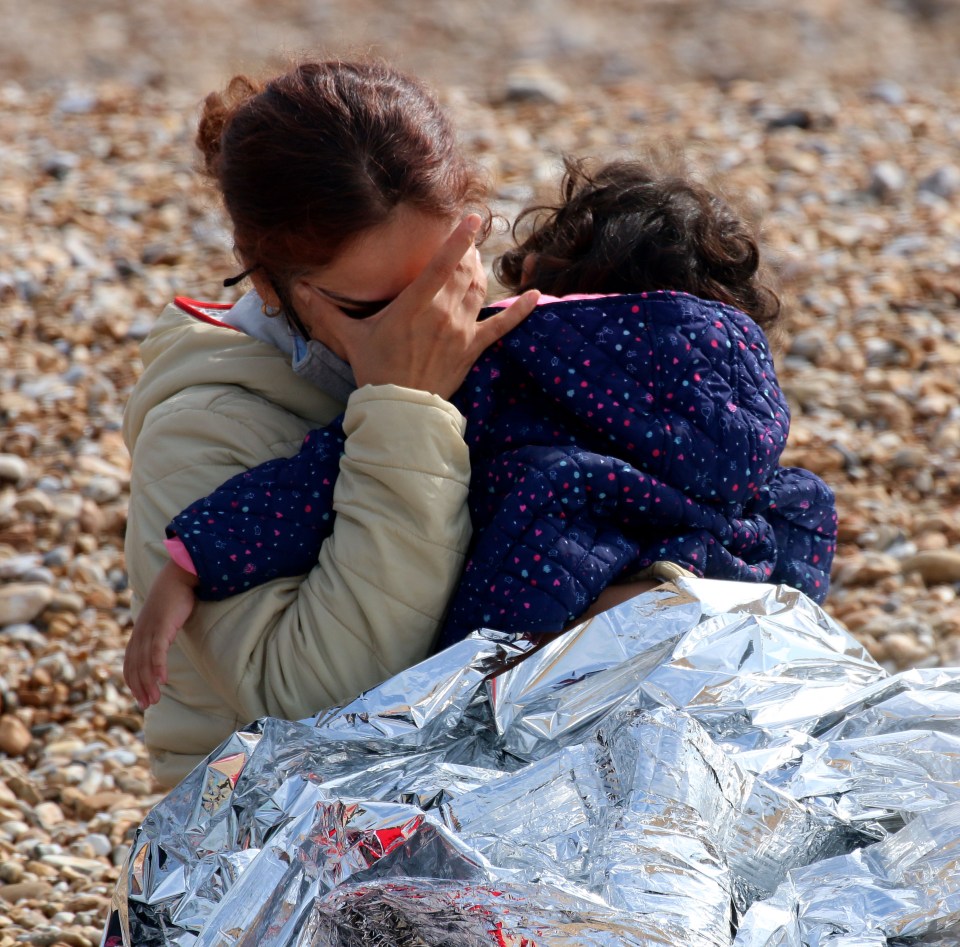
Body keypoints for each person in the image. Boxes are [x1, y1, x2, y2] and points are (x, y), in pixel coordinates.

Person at [125, 152, 838, 725]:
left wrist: (194, 556)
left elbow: (321, 476)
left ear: (528, 274)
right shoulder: (750, 402)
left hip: (525, 639)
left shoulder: (514, 357)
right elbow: (800, 529)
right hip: (705, 649)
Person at [122, 58, 540, 788]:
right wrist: (406, 409)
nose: (430, 324)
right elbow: (315, 702)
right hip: (264, 840)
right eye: (375, 308)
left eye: (443, 281)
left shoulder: (502, 342)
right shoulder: (200, 428)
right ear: (267, 283)